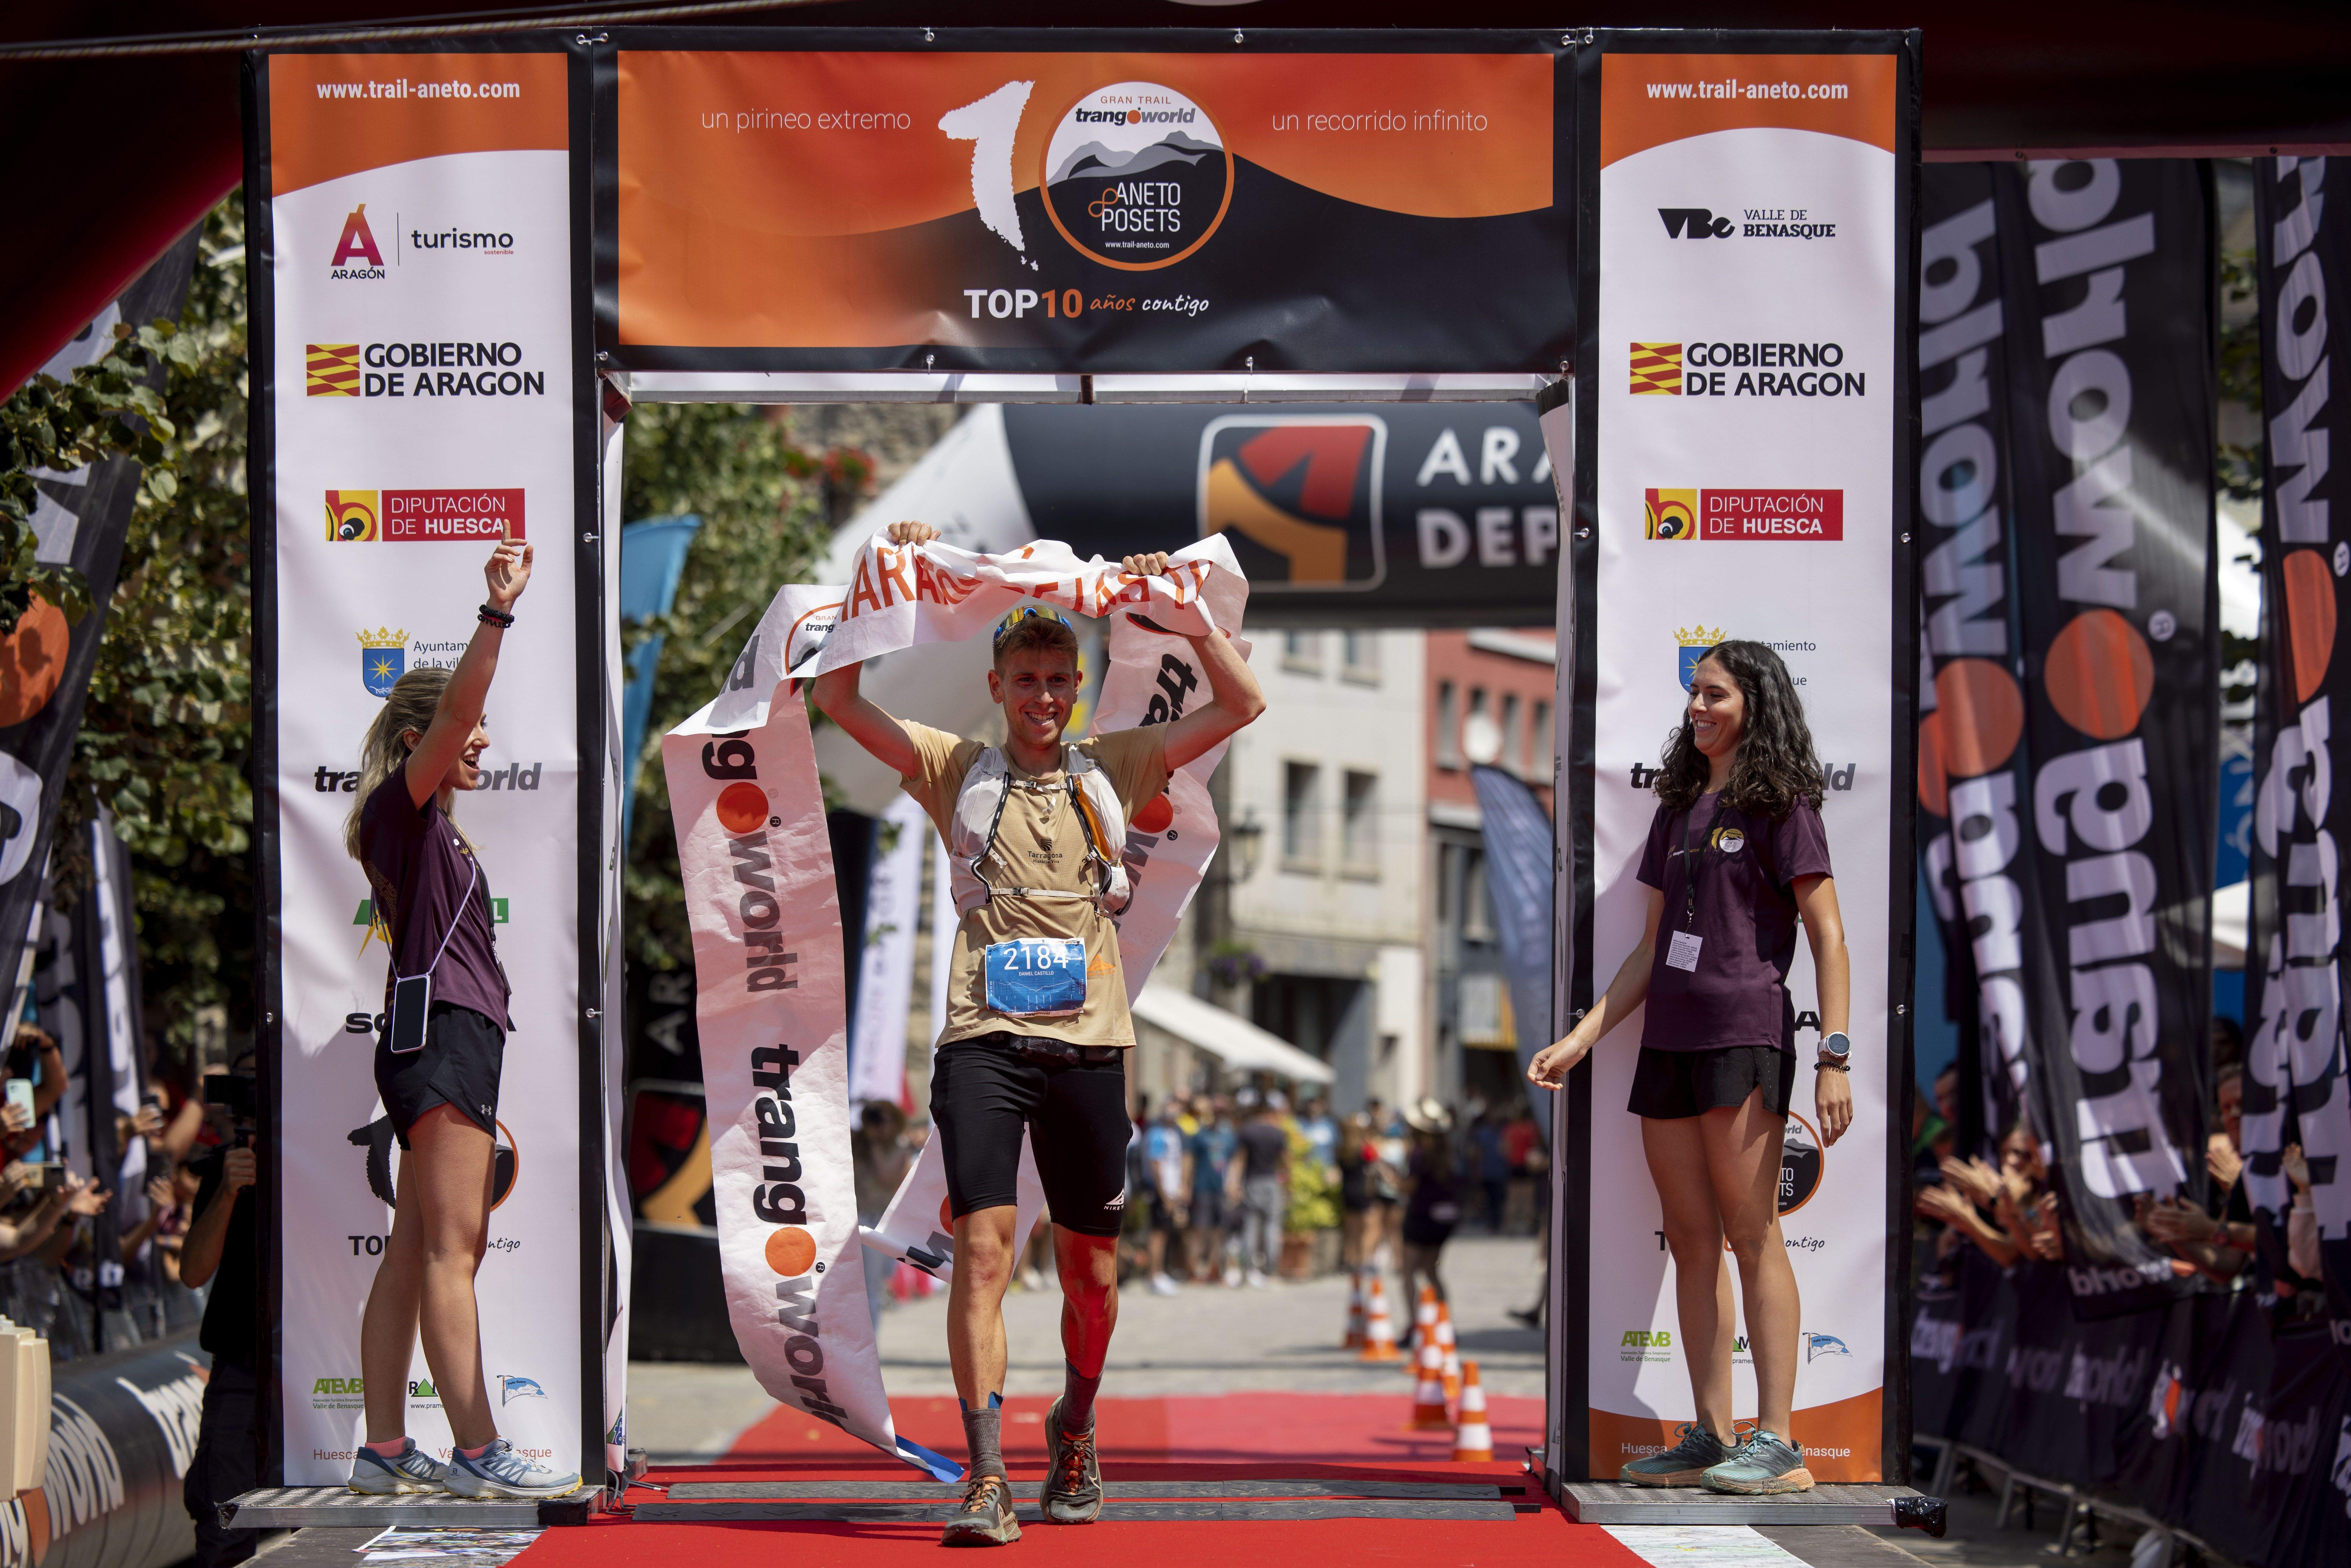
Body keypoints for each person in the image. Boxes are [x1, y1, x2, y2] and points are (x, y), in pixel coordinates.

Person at [810, 520, 1265, 1544]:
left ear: (1078, 682)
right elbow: (835, 699)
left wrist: (1184, 611)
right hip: (983, 1043)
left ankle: (1075, 1424)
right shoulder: (950, 762)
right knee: (981, 1255)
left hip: (1090, 1051)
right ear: (998, 682)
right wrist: (873, 583)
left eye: (1061, 679)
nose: (1046, 698)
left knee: (1091, 1273)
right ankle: (983, 1475)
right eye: (1026, 679)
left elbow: (1242, 702)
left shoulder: (1121, 759)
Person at [1528, 639, 1851, 1496]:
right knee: (1694, 1241)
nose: (1698, 707)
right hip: (1667, 1041)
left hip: (1745, 1036)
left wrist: (1836, 1055)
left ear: (1755, 701)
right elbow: (1646, 949)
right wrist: (1583, 1035)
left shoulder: (1784, 803)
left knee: (1753, 1235)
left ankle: (1777, 1440)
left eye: (1715, 694)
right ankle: (1712, 1432)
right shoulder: (1677, 807)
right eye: (1694, 696)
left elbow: (1829, 935)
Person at [342, 532, 578, 1500]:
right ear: (418, 744)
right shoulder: (404, 810)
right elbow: (462, 710)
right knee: (452, 1250)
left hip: (440, 1038)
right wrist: (497, 611)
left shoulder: (429, 830)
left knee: (413, 1247)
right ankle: (480, 1448)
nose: (480, 740)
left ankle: (384, 1448)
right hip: (441, 1037)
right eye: (461, 732)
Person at [180, 1065, 261, 1566]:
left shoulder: (328, 1157)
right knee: (225, 1519)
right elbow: (192, 1272)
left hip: (323, 1361)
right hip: (242, 1366)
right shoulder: (222, 1168)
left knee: (332, 1518)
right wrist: (230, 1190)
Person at [1399, 1100, 1461, 1309]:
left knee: (1408, 1271)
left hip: (1421, 1216)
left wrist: (1389, 1176)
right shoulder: (1447, 1152)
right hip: (1445, 1218)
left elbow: (1409, 1188)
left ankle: (1414, 1323)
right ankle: (1444, 1322)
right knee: (1431, 1270)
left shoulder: (1419, 1155)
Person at [1234, 1091, 1290, 1287]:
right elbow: (1286, 1162)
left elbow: (1240, 1160)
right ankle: (1272, 1270)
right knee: (1272, 1226)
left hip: (1252, 1181)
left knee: (1251, 1227)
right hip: (1272, 1182)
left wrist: (1234, 1184)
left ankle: (1248, 1270)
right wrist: (1288, 1183)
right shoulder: (1278, 1132)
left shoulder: (1248, 1131)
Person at [1187, 1098, 1239, 1287]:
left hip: (1221, 1190)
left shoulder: (1230, 1137)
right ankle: (1194, 1271)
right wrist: (1186, 1187)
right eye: (1216, 1113)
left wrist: (1234, 1185)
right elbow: (1189, 1161)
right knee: (1199, 1231)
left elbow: (1235, 1163)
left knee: (1219, 1232)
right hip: (1202, 1188)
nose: (1218, 1117)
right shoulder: (1199, 1136)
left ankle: (1215, 1270)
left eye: (1221, 1113)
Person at [1139, 1098, 1187, 1296]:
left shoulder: (1175, 1133)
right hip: (1161, 1192)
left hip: (1172, 1192)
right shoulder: (1157, 1133)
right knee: (1157, 1234)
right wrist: (1165, 1195)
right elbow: (1156, 1164)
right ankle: (1154, 1275)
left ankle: (1161, 1272)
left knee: (1166, 1233)